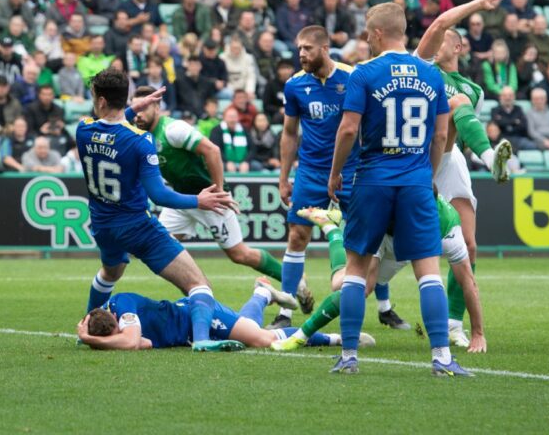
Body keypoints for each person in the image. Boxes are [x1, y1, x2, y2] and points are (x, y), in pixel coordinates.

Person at [327, 1, 469, 376]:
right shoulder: (430, 73)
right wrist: (427, 173)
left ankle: (350, 356)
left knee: (357, 269)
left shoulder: (364, 73)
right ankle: (441, 358)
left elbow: (347, 129)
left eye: (366, 33)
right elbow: (441, 134)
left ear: (375, 34)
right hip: (416, 181)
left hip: (372, 179)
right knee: (429, 271)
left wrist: (335, 173)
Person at [77, 70, 240, 352]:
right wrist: (197, 201)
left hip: (103, 226)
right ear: (122, 99)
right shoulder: (140, 140)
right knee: (198, 284)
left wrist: (131, 107)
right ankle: (201, 340)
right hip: (139, 228)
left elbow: (111, 126)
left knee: (110, 274)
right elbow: (158, 194)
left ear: (101, 101)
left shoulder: (83, 129)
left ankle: (87, 326)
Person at [414, 0, 514, 345]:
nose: (437, 41)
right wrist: (478, 4)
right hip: (417, 158)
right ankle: (375, 302)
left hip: (451, 157)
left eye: (445, 40)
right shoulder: (421, 68)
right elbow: (440, 22)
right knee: (378, 266)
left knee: (468, 246)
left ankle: (455, 323)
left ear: (457, 48)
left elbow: (462, 119)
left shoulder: (473, 89)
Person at [275, 199, 486, 354]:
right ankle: (332, 227)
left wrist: (478, 333)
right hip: (383, 233)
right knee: (346, 285)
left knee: (426, 279)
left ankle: (442, 356)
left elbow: (467, 281)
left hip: (412, 241)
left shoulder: (448, 227)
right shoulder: (382, 211)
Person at [131, 85, 287, 283]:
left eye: (143, 108)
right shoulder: (142, 136)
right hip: (183, 199)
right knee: (156, 243)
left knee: (239, 254)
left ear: (157, 107)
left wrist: (219, 190)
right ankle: (195, 290)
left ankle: (293, 280)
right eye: (135, 109)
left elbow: (212, 150)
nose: (138, 114)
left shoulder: (173, 129)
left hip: (210, 198)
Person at [272, 25, 361, 330]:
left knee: (360, 238)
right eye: (299, 49)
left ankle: (377, 307)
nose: (301, 54)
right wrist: (284, 178)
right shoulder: (295, 85)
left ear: (324, 49)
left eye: (307, 49)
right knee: (298, 236)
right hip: (309, 172)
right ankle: (285, 309)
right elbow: (288, 133)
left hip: (350, 171)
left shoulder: (353, 77)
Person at [78, 278, 348, 351]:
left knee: (263, 340)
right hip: (187, 331)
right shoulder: (114, 327)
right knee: (250, 328)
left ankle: (336, 339)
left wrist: (93, 341)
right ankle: (262, 294)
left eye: (115, 333)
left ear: (114, 321)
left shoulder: (122, 304)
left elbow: (132, 341)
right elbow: (142, 343)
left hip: (196, 314)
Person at [491, 87, 537, 151]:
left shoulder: (519, 109)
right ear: (500, 97)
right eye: (505, 95)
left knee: (533, 146)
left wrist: (504, 122)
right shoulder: (495, 110)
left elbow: (523, 126)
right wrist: (514, 122)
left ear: (514, 97)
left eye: (510, 95)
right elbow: (495, 126)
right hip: (501, 139)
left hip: (518, 138)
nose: (508, 98)